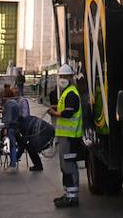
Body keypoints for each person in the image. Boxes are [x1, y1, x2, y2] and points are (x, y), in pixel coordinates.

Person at [47, 64, 83, 208]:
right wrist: (56, 108)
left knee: (69, 167)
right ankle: (68, 194)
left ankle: (72, 198)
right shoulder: (67, 92)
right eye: (60, 76)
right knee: (64, 167)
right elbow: (64, 108)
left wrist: (54, 113)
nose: (62, 79)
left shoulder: (71, 93)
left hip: (70, 137)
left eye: (64, 76)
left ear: (70, 77)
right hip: (65, 137)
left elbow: (68, 113)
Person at [2, 86, 33, 169]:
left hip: (12, 126)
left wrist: (5, 127)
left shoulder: (10, 104)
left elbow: (9, 117)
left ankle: (13, 161)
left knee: (11, 144)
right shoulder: (15, 103)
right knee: (14, 143)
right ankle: (14, 159)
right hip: (16, 126)